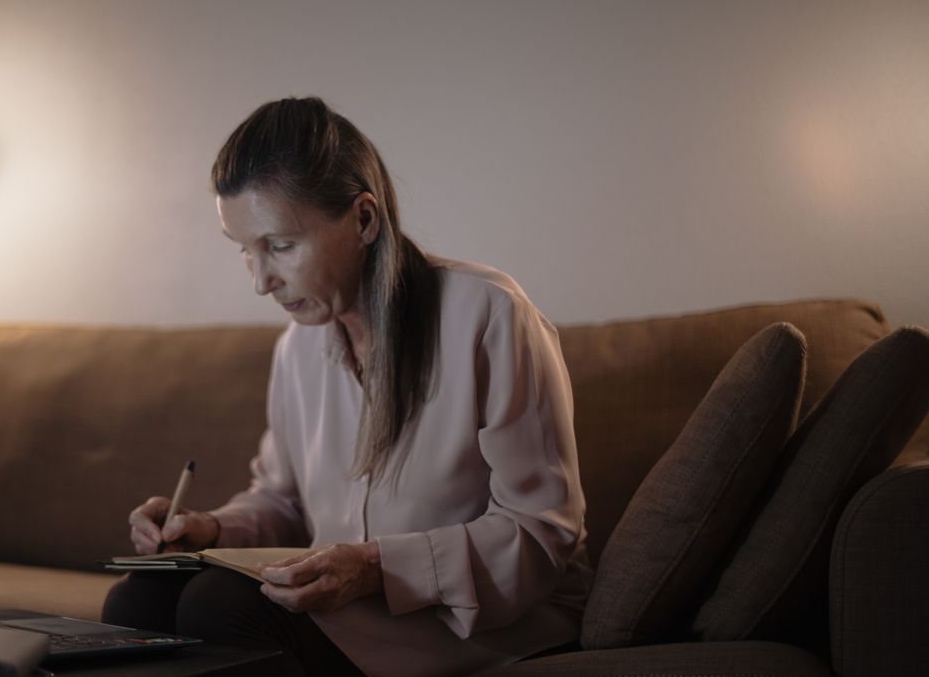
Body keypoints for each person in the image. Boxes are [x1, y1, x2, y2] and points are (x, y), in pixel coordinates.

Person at [102, 96, 592, 677]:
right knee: (137, 602)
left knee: (219, 609)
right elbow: (282, 501)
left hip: (479, 619)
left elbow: (540, 531)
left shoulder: (488, 314)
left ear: (364, 219)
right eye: (245, 251)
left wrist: (376, 567)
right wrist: (208, 528)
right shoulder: (297, 347)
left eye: (280, 245)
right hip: (351, 605)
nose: (261, 282)